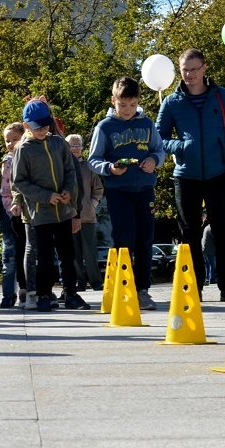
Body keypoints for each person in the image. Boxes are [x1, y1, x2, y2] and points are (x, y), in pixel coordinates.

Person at [157, 49, 225, 302]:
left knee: (222, 231)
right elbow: (159, 138)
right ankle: (193, 287)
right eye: (185, 69)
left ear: (205, 68)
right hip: (186, 176)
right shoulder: (172, 102)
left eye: (194, 69)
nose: (189, 74)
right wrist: (181, 147)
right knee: (189, 234)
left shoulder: (223, 97)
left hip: (220, 174)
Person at [88, 77, 163, 309]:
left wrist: (153, 160)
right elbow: (93, 159)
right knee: (124, 239)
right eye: (122, 105)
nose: (128, 110)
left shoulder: (148, 124)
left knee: (145, 239)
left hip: (145, 190)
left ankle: (142, 289)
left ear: (138, 102)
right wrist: (109, 168)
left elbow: (159, 149)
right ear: (114, 101)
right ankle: (123, 286)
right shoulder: (105, 127)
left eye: (132, 105)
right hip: (119, 190)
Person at [13, 98, 87, 311]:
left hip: (64, 210)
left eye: (46, 125)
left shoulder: (58, 143)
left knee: (68, 254)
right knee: (44, 257)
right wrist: (46, 196)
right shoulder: (23, 150)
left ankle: (71, 293)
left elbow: (71, 170)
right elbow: (20, 182)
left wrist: (68, 192)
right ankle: (44, 294)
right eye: (38, 127)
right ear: (26, 126)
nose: (43, 129)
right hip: (41, 213)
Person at [65, 133, 104, 293]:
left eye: (77, 145)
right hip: (68, 217)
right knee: (74, 254)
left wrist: (92, 205)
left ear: (82, 147)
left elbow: (98, 189)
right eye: (71, 145)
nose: (74, 148)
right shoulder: (63, 167)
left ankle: (95, 282)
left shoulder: (89, 167)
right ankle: (79, 282)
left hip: (87, 218)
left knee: (90, 253)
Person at [0, 121, 28, 308]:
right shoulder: (7, 161)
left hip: (29, 214)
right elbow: (5, 190)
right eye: (7, 141)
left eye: (15, 140)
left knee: (27, 254)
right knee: (9, 257)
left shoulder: (29, 158)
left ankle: (27, 290)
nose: (10, 144)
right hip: (11, 215)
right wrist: (10, 209)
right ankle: (8, 294)